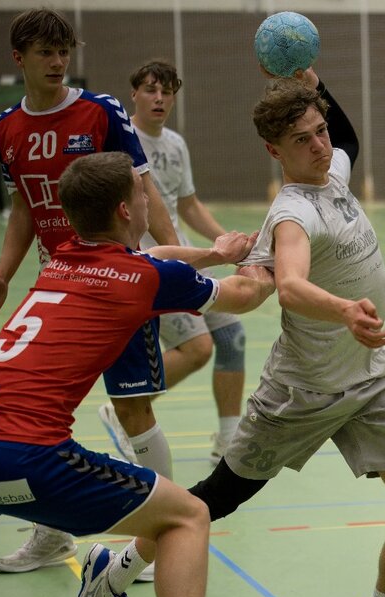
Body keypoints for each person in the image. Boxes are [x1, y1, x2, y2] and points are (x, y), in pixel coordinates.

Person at [99, 71, 385, 597]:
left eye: (320, 131)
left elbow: (348, 142)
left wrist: (317, 83)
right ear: (275, 151)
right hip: (301, 391)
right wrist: (344, 310)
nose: (320, 146)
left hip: (369, 379)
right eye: (303, 140)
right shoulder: (292, 215)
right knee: (215, 499)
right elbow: (288, 286)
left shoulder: (334, 171)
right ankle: (116, 569)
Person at [0, 151, 279, 597]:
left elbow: (150, 257)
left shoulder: (61, 261)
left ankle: (109, 583)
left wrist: (213, 253)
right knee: (188, 515)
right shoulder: (143, 277)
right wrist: (270, 260)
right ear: (126, 209)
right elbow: (243, 295)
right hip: (29, 457)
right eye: (143, 195)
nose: (149, 202)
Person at [0, 9, 182, 575]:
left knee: (132, 408)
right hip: (56, 282)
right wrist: (2, 276)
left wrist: (174, 261)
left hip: (116, 277)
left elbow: (144, 188)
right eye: (46, 52)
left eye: (64, 51)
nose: (58, 61)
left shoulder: (101, 111)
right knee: (36, 411)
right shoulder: (6, 127)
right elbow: (23, 208)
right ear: (19, 58)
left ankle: (162, 535)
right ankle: (50, 535)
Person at [128, 59, 247, 472]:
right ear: (134, 94)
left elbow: (189, 205)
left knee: (232, 335)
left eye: (168, 92)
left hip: (183, 253)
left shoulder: (176, 144)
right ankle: (129, 409)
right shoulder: (123, 141)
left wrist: (228, 243)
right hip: (150, 263)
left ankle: (229, 439)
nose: (159, 98)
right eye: (150, 90)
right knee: (198, 349)